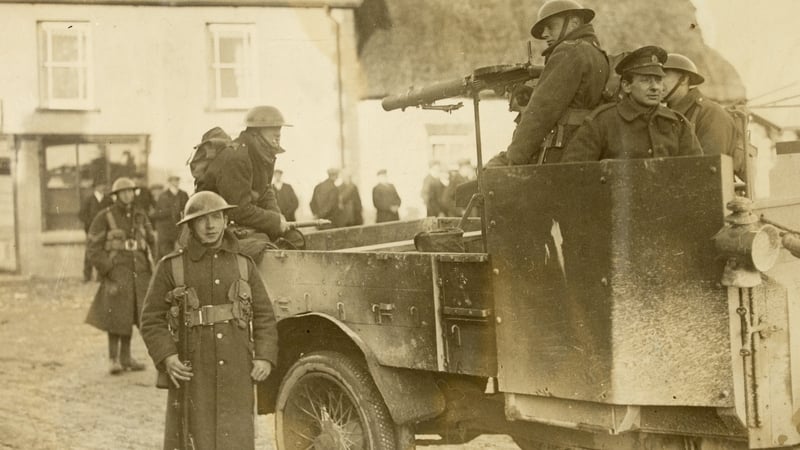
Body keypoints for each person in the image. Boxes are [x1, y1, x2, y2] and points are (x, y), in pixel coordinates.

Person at [140, 191, 278, 450]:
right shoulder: (171, 267)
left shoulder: (244, 264)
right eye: (202, 219)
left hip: (238, 365)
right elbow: (151, 319)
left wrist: (264, 356)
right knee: (193, 436)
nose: (211, 225)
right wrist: (168, 357)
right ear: (190, 225)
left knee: (236, 437)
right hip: (193, 369)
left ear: (226, 219)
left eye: (217, 217)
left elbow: (264, 316)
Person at [490, 0, 608, 165]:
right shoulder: (597, 53)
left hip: (561, 153)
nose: (545, 34)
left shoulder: (569, 50)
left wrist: (513, 157)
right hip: (587, 151)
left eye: (550, 26)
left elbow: (541, 111)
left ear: (574, 22)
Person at [561, 46, 703, 162]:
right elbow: (574, 173)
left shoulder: (678, 124)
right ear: (626, 86)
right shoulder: (601, 122)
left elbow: (697, 171)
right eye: (646, 80)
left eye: (658, 80)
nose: (655, 87)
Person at [196, 106, 291, 259]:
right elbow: (238, 209)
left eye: (279, 127)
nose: (278, 132)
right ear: (255, 131)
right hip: (214, 229)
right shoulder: (237, 157)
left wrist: (278, 218)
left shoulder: (262, 153)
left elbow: (265, 190)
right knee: (263, 246)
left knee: (293, 238)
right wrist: (274, 221)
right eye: (271, 127)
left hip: (237, 225)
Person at [85, 177, 155, 375]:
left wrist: (154, 266)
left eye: (131, 191)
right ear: (115, 196)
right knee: (115, 315)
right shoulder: (104, 216)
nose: (128, 195)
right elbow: (93, 248)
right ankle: (113, 359)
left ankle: (126, 358)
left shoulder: (140, 215)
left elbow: (151, 240)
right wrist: (107, 268)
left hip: (139, 274)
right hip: (117, 274)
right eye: (123, 192)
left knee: (132, 315)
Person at [662, 53, 743, 177]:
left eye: (663, 77)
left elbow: (710, 170)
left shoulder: (711, 114)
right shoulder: (665, 115)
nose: (656, 85)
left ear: (684, 79)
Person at [79, 180, 111, 282]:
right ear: (95, 187)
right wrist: (90, 224)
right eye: (100, 185)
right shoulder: (89, 199)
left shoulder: (108, 200)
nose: (102, 187)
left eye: (103, 185)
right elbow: (81, 214)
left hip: (105, 230)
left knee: (104, 252)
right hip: (91, 231)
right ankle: (87, 275)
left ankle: (101, 276)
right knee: (90, 252)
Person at [151, 174, 189, 260]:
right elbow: (158, 213)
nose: (175, 182)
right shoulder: (163, 196)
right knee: (166, 254)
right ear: (169, 182)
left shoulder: (183, 194)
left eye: (177, 180)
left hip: (180, 229)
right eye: (173, 180)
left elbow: (187, 209)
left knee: (181, 253)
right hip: (166, 231)